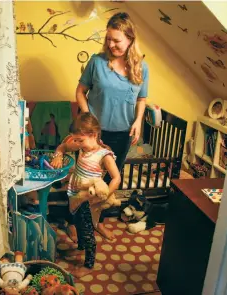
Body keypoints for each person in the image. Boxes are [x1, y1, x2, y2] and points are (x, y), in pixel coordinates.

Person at [74, 12, 149, 241]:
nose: (111, 44)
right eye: (109, 39)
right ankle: (76, 223)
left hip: (122, 134)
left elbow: (142, 99)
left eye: (117, 40)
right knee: (85, 181)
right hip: (95, 135)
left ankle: (97, 222)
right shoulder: (97, 63)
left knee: (107, 183)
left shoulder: (141, 67)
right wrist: (88, 119)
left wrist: (137, 121)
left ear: (130, 39)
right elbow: (80, 92)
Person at [51, 112, 121, 278]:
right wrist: (58, 154)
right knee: (77, 223)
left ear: (94, 135)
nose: (77, 143)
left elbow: (116, 178)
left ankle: (89, 265)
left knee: (87, 231)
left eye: (80, 140)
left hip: (88, 200)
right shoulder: (82, 146)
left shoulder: (104, 155)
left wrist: (103, 196)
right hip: (74, 195)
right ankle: (81, 247)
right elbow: (63, 146)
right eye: (76, 140)